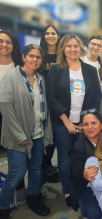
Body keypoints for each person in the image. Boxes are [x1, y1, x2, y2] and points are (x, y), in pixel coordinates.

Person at [0, 44, 53, 219]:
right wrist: (20, 135)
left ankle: (33, 198)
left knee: (36, 170)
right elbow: (5, 106)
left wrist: (46, 132)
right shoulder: (11, 77)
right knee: (16, 173)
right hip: (18, 136)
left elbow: (43, 107)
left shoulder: (40, 78)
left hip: (37, 134)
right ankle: (2, 209)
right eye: (31, 56)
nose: (35, 60)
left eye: (38, 57)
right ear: (24, 57)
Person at [46, 34, 102, 207]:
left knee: (85, 156)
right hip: (62, 122)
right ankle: (68, 189)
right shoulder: (56, 70)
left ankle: (84, 186)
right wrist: (67, 121)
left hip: (84, 123)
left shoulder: (90, 70)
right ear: (63, 48)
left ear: (81, 48)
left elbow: (97, 96)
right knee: (64, 157)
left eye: (76, 46)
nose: (72, 49)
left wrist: (88, 121)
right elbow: (52, 98)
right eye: (69, 46)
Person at [0, 29, 26, 205]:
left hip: (15, 115)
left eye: (8, 42)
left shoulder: (19, 66)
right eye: (1, 41)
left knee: (17, 156)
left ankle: (19, 192)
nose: (4, 45)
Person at [39, 24, 60, 186]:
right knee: (43, 134)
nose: (50, 36)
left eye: (53, 33)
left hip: (58, 101)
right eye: (47, 33)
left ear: (58, 36)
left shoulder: (62, 55)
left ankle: (48, 166)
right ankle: (43, 166)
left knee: (53, 134)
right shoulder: (39, 54)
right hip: (41, 101)